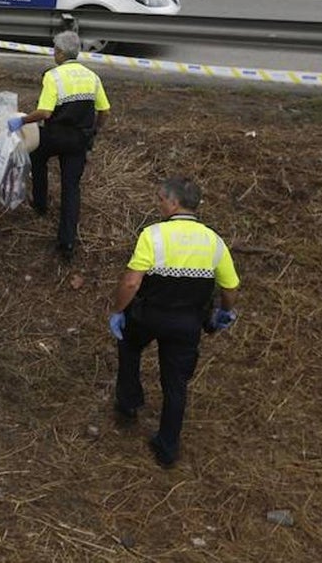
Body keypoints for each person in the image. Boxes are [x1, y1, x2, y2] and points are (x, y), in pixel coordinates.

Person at [107, 177, 240, 467]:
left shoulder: (153, 235)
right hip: (188, 323)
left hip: (148, 315)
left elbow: (131, 282)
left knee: (129, 346)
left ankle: (128, 403)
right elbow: (229, 288)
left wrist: (118, 310)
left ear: (174, 202)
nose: (159, 204)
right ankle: (167, 448)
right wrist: (224, 313)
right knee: (176, 383)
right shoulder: (214, 242)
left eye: (161, 199)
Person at [7, 30, 110, 261]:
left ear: (61, 53)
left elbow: (45, 112)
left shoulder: (53, 77)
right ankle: (67, 243)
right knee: (71, 187)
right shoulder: (92, 77)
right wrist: (94, 131)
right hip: (79, 140)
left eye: (55, 50)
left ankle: (41, 203)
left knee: (38, 156)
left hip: (55, 136)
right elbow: (105, 111)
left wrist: (21, 120)